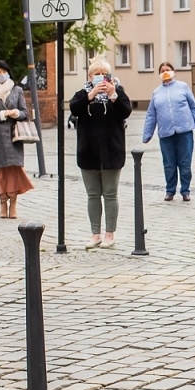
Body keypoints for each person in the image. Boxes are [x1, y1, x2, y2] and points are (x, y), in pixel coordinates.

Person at [71, 57, 132, 249]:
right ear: (90, 76)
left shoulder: (118, 92)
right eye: (96, 74)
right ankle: (95, 233)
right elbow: (74, 108)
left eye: (103, 74)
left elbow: (126, 111)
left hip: (111, 152)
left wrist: (113, 95)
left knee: (110, 194)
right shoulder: (82, 94)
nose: (100, 78)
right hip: (88, 152)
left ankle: (109, 233)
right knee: (93, 195)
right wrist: (90, 96)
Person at [141, 62, 195, 202]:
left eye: (167, 70)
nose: (165, 72)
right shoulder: (156, 92)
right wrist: (147, 134)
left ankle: (185, 190)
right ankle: (170, 190)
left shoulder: (183, 87)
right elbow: (151, 114)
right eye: (162, 70)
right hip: (165, 134)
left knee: (185, 163)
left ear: (173, 71)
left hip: (184, 131)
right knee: (169, 164)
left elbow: (194, 107)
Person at [0, 59, 34, 219]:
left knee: (13, 170)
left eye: (4, 72)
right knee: (1, 172)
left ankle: (14, 203)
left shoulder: (17, 90)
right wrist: (3, 114)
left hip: (13, 136)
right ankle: (3, 203)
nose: (1, 74)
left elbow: (25, 112)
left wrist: (16, 113)